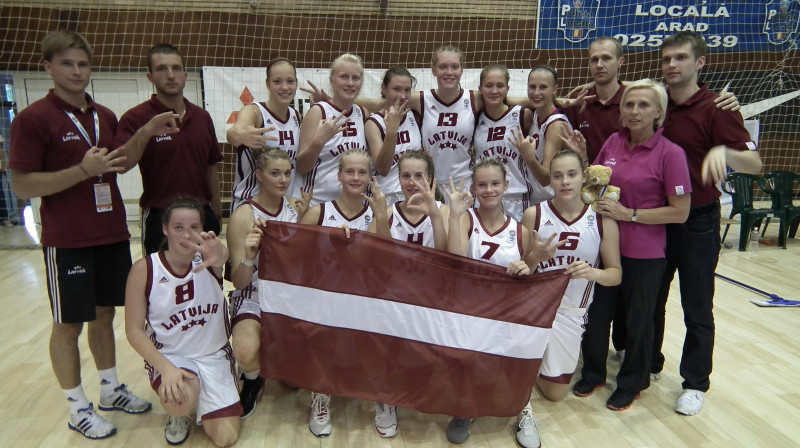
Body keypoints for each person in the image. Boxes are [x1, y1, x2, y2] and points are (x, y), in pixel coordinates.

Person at [9, 30, 176, 440]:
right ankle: (75, 406)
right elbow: (22, 186)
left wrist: (148, 130)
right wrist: (80, 172)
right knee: (68, 324)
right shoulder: (34, 119)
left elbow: (119, 163)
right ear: (48, 67)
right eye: (67, 63)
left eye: (83, 64)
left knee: (105, 315)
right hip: (67, 241)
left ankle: (110, 388)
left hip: (111, 232)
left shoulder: (103, 115)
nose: (77, 71)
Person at [653, 31, 762, 416]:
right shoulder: (657, 104)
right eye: (667, 58)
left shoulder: (719, 107)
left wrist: (724, 151)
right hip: (658, 218)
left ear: (700, 62)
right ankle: (650, 364)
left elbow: (755, 164)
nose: (672, 65)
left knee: (697, 306)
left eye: (680, 58)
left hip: (698, 222)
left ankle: (695, 383)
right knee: (652, 299)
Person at [566, 79, 691, 411]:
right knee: (597, 315)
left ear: (659, 113)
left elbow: (680, 212)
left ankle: (633, 381)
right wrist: (582, 161)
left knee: (638, 319)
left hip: (645, 253)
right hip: (605, 248)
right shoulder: (613, 142)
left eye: (643, 105)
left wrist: (630, 214)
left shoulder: (671, 153)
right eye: (629, 105)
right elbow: (599, 184)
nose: (634, 111)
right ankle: (593, 373)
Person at [514, 150, 622, 448]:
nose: (564, 181)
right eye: (557, 175)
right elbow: (520, 271)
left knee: (555, 393)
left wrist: (593, 273)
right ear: (550, 179)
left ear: (584, 175)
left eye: (571, 174)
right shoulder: (534, 214)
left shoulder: (601, 218)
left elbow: (615, 274)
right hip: (533, 309)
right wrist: (536, 256)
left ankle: (536, 364)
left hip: (572, 312)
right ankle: (528, 360)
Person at [125, 197, 241, 446]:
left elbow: (221, 256)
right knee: (178, 402)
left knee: (225, 438)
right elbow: (134, 331)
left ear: (202, 229)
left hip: (213, 355)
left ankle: (209, 392)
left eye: (194, 227)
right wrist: (166, 368)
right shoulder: (145, 269)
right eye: (179, 227)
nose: (187, 234)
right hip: (172, 356)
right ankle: (180, 413)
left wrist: (219, 251)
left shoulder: (206, 259)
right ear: (165, 228)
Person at [443, 158, 534, 444]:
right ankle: (464, 408)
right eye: (482, 184)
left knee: (517, 356)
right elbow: (455, 262)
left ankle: (524, 408)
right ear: (473, 188)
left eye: (495, 183)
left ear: (507, 186)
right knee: (467, 358)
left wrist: (530, 265)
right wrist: (456, 215)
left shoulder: (522, 232)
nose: (489, 189)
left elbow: (531, 279)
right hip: (469, 312)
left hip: (507, 314)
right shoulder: (466, 219)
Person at [298, 148, 380, 437]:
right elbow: (293, 253)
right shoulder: (319, 212)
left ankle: (382, 397)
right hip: (325, 299)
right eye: (350, 171)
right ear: (339, 175)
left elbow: (388, 262)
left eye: (362, 172)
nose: (356, 177)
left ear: (371, 177)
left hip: (365, 299)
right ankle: (321, 395)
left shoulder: (379, 213)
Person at [114, 43, 224, 255]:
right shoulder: (135, 118)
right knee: (159, 284)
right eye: (162, 69)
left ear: (185, 74)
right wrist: (146, 131)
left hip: (201, 212)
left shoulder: (202, 117)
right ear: (150, 77)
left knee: (206, 280)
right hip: (159, 215)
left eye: (176, 68)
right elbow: (121, 164)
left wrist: (217, 210)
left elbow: (211, 164)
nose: (171, 75)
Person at [226, 148, 310, 419]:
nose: (283, 179)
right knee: (246, 349)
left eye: (287, 173)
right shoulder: (243, 216)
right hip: (252, 293)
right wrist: (250, 257)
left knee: (294, 379)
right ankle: (251, 378)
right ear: (259, 175)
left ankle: (277, 359)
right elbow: (238, 281)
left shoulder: (297, 209)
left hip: (287, 296)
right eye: (275, 173)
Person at [226, 58, 303, 212]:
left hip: (284, 206)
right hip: (251, 203)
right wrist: (239, 134)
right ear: (267, 84)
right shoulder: (255, 112)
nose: (285, 87)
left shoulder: (296, 116)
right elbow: (234, 134)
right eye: (277, 82)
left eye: (290, 81)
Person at [296, 54, 368, 206]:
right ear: (331, 79)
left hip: (356, 207)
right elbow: (301, 167)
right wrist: (319, 141)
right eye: (344, 77)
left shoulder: (363, 113)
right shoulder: (319, 112)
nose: (350, 83)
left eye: (355, 78)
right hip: (320, 205)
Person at [473, 64, 534, 220]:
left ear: (507, 88)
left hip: (516, 196)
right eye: (489, 86)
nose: (494, 91)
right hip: (485, 196)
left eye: (500, 86)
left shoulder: (523, 115)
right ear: (480, 89)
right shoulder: (475, 118)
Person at [509, 65, 573, 209]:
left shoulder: (555, 125)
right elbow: (506, 99)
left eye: (543, 87)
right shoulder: (538, 111)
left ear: (554, 89)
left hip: (551, 200)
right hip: (536, 197)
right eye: (532, 87)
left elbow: (546, 178)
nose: (536, 93)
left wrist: (528, 158)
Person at [369, 150, 449, 250]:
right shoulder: (386, 215)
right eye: (406, 176)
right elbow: (370, 256)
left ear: (429, 179)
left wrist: (435, 216)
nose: (412, 182)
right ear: (399, 178)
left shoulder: (445, 212)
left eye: (419, 176)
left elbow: (446, 258)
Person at [365, 67, 422, 207]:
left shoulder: (415, 115)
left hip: (414, 193)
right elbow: (383, 169)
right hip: (386, 196)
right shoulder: (374, 123)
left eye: (407, 90)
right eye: (396, 89)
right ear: (384, 89)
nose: (402, 95)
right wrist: (392, 131)